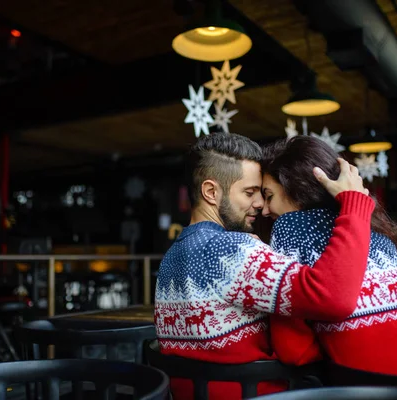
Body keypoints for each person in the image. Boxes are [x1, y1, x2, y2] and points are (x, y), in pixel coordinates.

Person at [155, 132, 376, 400]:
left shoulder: (171, 257)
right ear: (211, 192)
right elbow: (331, 296)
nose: (259, 204)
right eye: (249, 192)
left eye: (261, 193)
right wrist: (354, 206)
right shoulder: (232, 250)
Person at [262, 135, 397, 380]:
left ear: (296, 188)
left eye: (269, 196)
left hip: (390, 391)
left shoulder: (290, 227)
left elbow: (295, 352)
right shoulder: (372, 231)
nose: (264, 209)